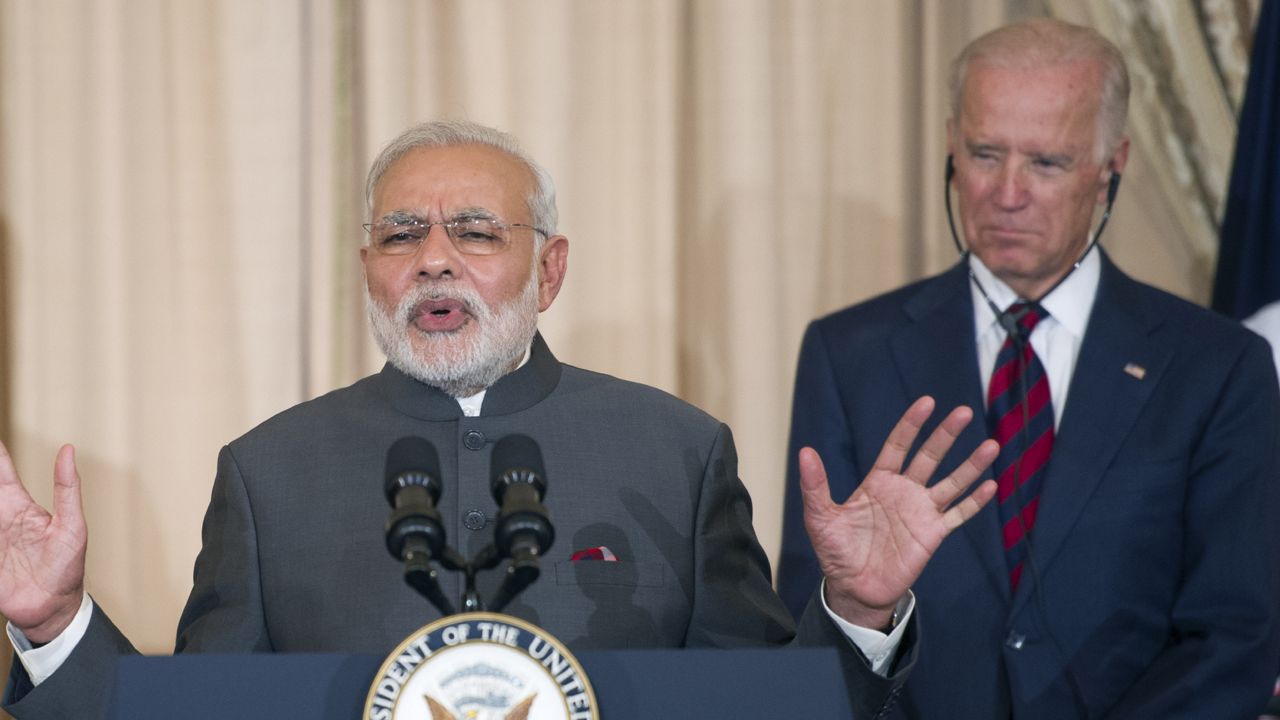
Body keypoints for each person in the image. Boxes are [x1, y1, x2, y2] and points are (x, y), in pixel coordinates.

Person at [0, 120, 998, 718]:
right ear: (368, 271)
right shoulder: (270, 472)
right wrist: (52, 626)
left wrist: (857, 614)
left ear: (548, 267)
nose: (434, 259)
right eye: (401, 234)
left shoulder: (676, 453)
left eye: (475, 232)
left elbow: (760, 712)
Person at [777, 18, 1280, 719]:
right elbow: (803, 626)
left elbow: (1235, 637)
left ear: (1113, 165)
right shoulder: (849, 353)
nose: (1007, 193)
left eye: (1046, 163)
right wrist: (859, 607)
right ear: (952, 145)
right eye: (985, 154)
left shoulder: (1219, 367)